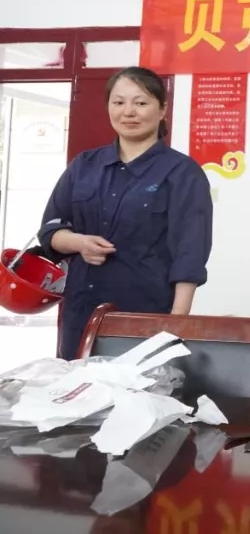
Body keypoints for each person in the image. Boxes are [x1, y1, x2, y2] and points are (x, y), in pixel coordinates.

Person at [38, 66, 213, 360]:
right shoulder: (84, 165)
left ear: (162, 110)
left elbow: (190, 255)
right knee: (77, 386)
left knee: (137, 388)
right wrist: (79, 243)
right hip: (81, 313)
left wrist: (176, 323)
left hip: (145, 316)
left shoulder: (182, 172)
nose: (128, 112)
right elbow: (49, 230)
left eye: (140, 102)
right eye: (118, 102)